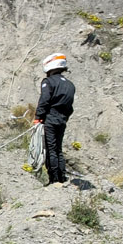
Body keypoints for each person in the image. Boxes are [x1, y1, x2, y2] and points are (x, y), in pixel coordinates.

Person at [34, 53, 76, 185]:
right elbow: (70, 106)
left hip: (50, 119)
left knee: (50, 148)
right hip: (62, 119)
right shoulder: (70, 85)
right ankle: (62, 176)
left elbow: (44, 101)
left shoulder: (49, 82)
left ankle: (54, 179)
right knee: (58, 149)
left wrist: (38, 117)